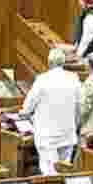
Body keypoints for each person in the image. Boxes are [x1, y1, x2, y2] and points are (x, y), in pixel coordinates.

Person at [21, 48, 81, 176]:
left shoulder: (42, 79)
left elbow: (28, 106)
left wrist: (24, 113)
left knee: (50, 173)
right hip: (68, 133)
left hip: (48, 135)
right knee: (65, 171)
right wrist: (76, 125)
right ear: (63, 62)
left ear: (49, 62)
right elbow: (80, 106)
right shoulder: (74, 78)